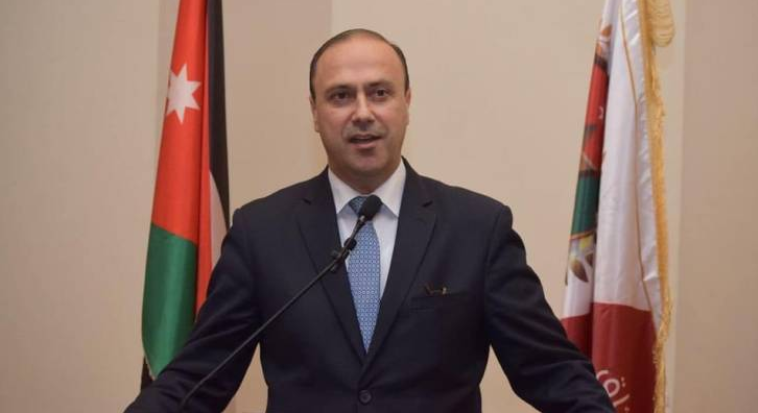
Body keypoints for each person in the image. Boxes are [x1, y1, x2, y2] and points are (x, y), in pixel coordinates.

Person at [127, 29, 614, 413]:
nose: (363, 113)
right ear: (314, 112)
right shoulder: (261, 232)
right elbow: (199, 377)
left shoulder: (478, 228)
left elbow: (551, 371)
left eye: (379, 93)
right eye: (340, 96)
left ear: (406, 103)